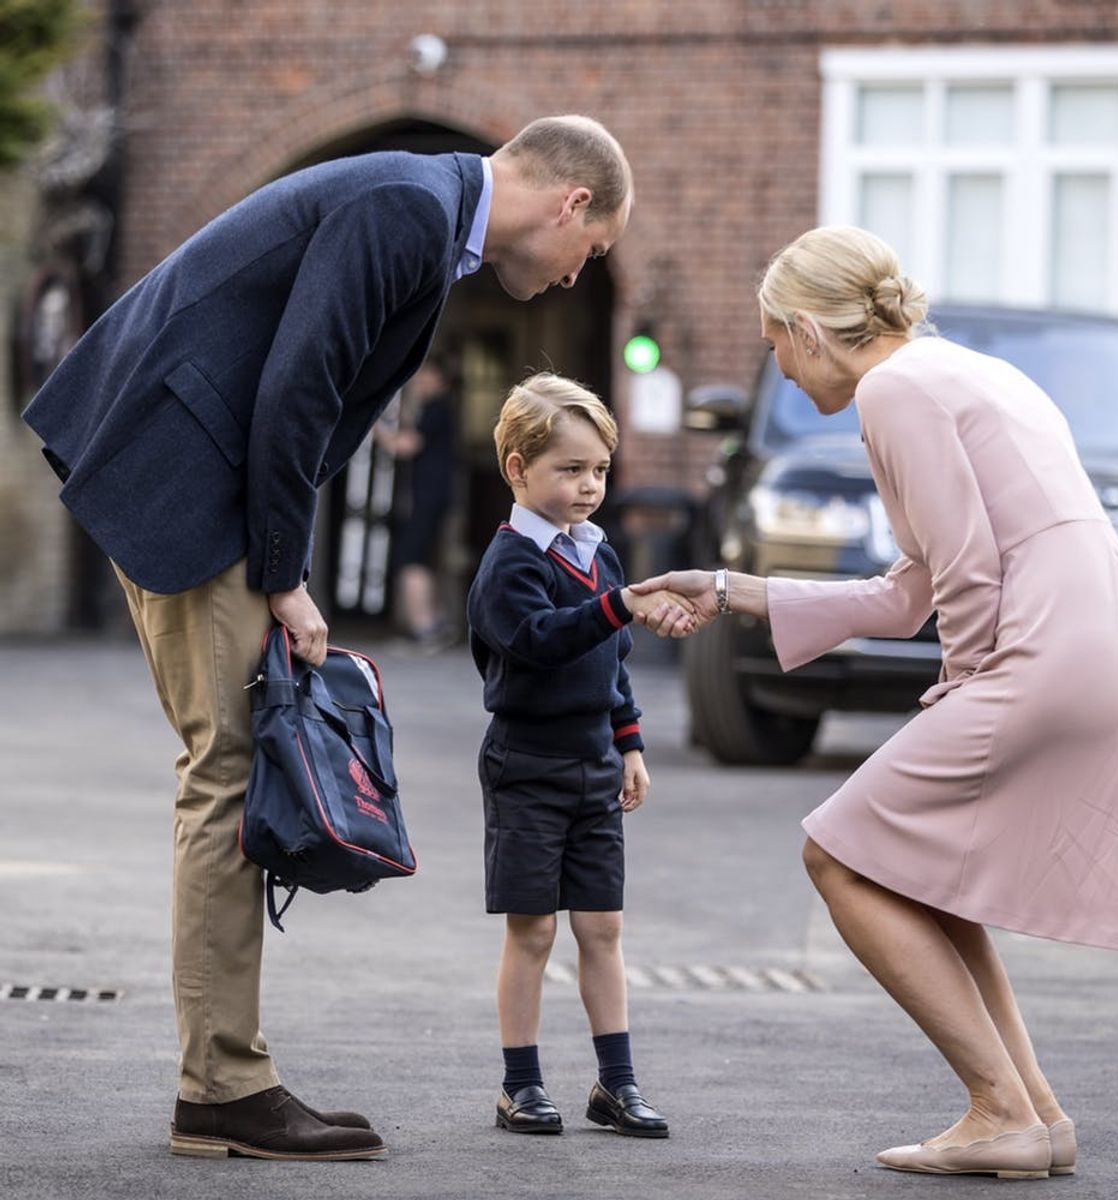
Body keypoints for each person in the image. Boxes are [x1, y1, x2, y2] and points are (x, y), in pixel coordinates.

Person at [21, 115, 633, 1161]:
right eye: (596, 251)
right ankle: (221, 1087)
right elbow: (296, 389)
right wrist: (283, 573)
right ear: (570, 204)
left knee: (226, 763)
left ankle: (224, 1078)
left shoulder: (426, 211)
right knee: (226, 771)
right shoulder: (408, 207)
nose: (583, 276)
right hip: (188, 478)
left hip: (192, 471)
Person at [634, 225, 1118, 1180]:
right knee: (927, 873)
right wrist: (726, 588)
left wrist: (960, 689)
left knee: (837, 853)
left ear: (807, 328)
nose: (785, 377)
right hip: (1105, 640)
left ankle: (1000, 1107)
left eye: (774, 350)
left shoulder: (894, 390)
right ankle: (1033, 1114)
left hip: (1039, 651)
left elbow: (963, 573)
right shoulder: (960, 372)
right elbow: (905, 589)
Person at [467, 374, 691, 1139]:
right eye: (569, 469)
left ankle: (616, 1084)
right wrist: (616, 607)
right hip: (525, 764)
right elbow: (542, 641)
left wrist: (629, 745)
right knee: (532, 931)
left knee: (602, 930)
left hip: (595, 764)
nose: (589, 485)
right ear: (518, 470)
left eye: (599, 468)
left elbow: (611, 663)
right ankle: (520, 1086)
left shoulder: (599, 555)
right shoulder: (509, 566)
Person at [373, 355, 459, 648]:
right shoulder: (437, 409)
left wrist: (371, 425)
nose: (420, 382)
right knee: (420, 557)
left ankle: (425, 628)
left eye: (426, 376)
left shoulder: (437, 408)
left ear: (440, 380)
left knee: (410, 557)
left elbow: (404, 446)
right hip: (432, 496)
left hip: (428, 496)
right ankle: (431, 624)